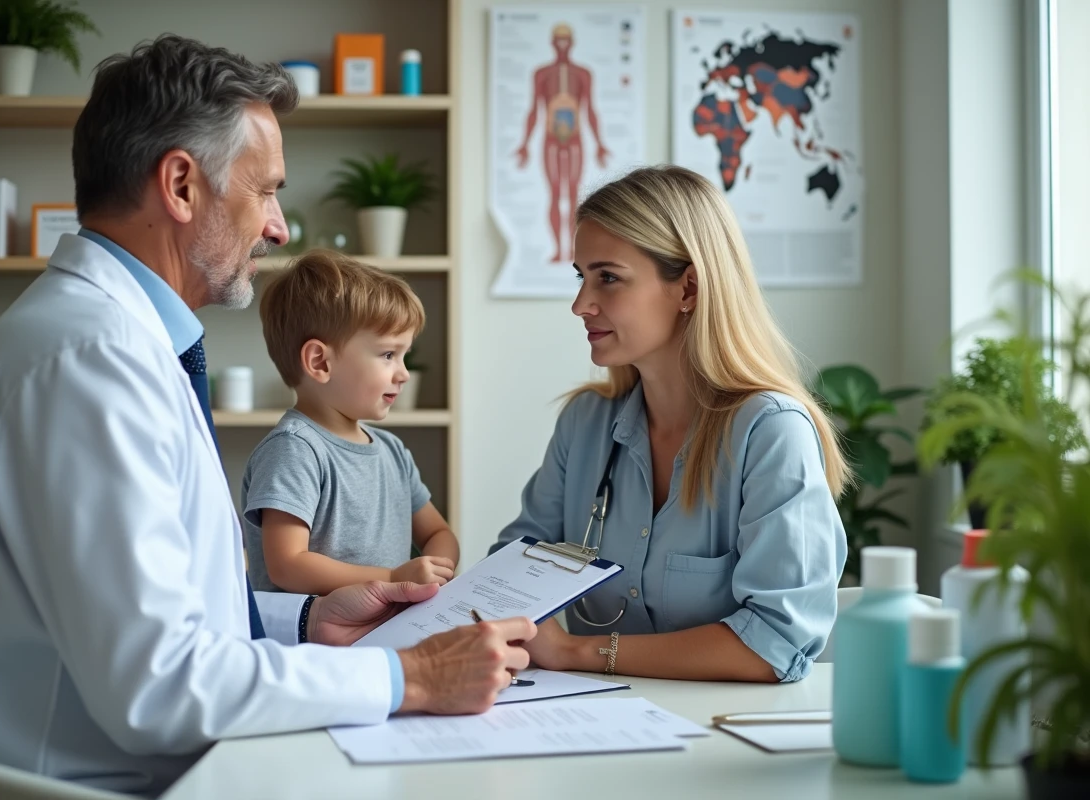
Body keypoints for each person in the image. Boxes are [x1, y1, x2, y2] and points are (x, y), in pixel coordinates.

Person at [0, 35, 533, 797]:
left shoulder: (119, 345)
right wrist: (409, 675)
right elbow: (161, 690)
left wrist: (307, 626)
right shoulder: (90, 361)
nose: (277, 227)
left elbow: (166, 633)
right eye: (266, 190)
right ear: (181, 185)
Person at [490, 165, 847, 684]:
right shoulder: (585, 423)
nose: (580, 305)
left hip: (722, 738)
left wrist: (577, 653)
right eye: (581, 277)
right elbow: (515, 570)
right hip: (588, 724)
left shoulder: (770, 433)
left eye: (607, 277)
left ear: (688, 289)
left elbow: (775, 644)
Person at [241, 250, 460, 596]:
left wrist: (433, 573)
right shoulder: (294, 451)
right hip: (314, 647)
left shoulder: (393, 452)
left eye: (405, 356)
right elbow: (287, 565)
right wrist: (393, 579)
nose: (403, 374)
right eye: (389, 355)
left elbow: (438, 533)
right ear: (320, 363)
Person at [515, 23, 610, 263]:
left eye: (566, 40)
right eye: (558, 40)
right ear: (552, 42)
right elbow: (533, 110)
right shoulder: (541, 74)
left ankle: (573, 251)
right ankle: (560, 249)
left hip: (576, 141)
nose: (562, 45)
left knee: (575, 194)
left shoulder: (583, 74)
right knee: (556, 193)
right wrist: (524, 143)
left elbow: (591, 110)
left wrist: (599, 143)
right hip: (550, 141)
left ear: (572, 42)